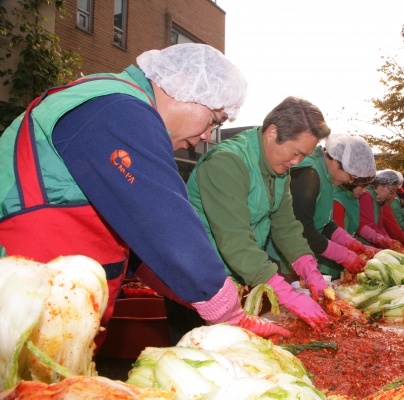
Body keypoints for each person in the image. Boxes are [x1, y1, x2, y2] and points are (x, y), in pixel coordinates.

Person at [0, 43, 289, 343]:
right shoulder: (119, 109)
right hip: (22, 309)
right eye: (214, 121)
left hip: (54, 312)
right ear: (188, 87)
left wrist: (185, 291)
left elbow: (135, 232)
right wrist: (228, 312)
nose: (206, 136)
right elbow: (165, 220)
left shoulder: (112, 103)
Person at [186, 97, 331, 332]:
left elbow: (285, 225)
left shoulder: (279, 169)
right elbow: (235, 242)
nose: (297, 162)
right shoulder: (227, 163)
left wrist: (308, 268)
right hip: (199, 284)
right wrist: (287, 295)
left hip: (240, 277)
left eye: (304, 156)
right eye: (296, 152)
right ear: (272, 132)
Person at [271, 134, 377, 280]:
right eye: (351, 176)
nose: (351, 182)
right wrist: (342, 255)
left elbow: (324, 221)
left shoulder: (326, 176)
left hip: (299, 255)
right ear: (336, 163)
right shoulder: (310, 174)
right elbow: (303, 229)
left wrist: (349, 242)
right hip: (281, 257)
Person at [358, 170, 404, 251]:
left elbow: (380, 227)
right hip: (363, 245)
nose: (390, 195)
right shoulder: (367, 195)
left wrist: (389, 240)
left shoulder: (379, 201)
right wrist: (385, 241)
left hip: (372, 244)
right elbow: (370, 225)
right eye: (390, 191)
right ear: (380, 184)